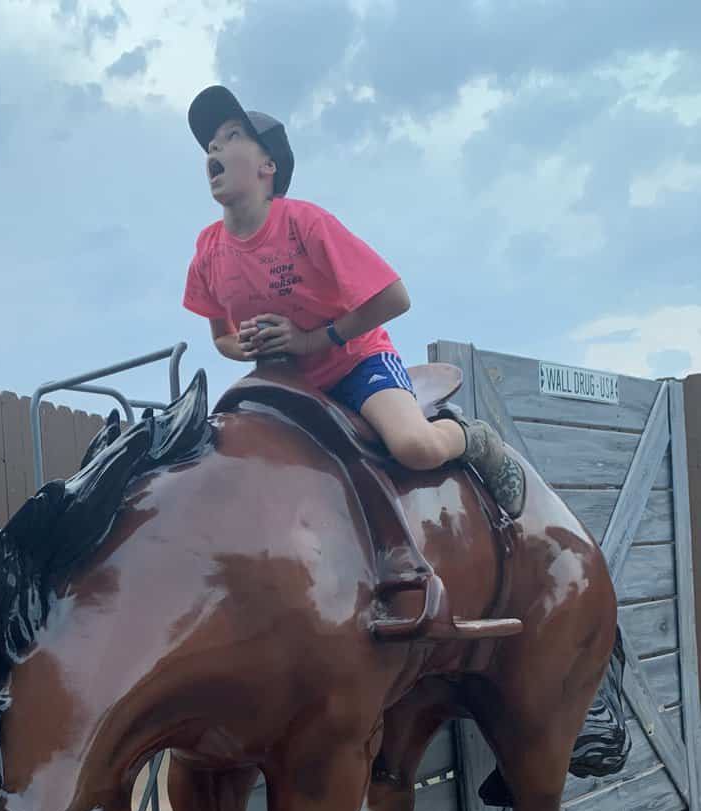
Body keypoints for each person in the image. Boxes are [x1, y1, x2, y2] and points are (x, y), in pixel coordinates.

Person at [182, 85, 525, 518]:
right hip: (281, 383)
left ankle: (474, 440)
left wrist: (311, 340)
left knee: (413, 447)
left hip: (354, 364)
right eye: (211, 142)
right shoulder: (208, 251)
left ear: (267, 165)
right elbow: (221, 339)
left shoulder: (304, 223)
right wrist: (244, 346)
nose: (214, 145)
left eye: (232, 136)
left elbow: (394, 298)